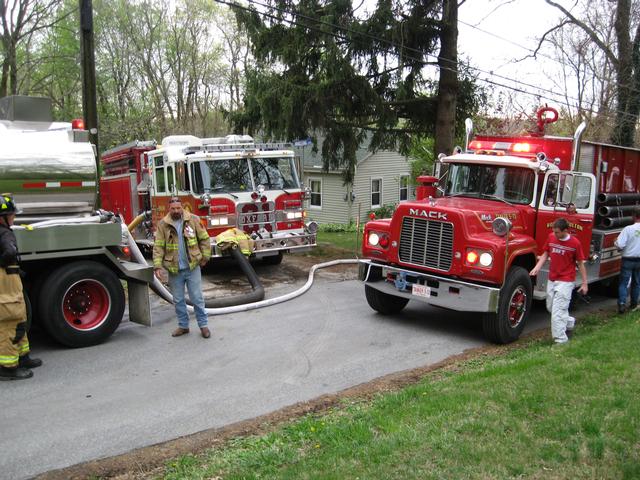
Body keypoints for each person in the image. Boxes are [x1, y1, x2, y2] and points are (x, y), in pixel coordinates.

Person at [153, 196, 212, 338]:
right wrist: (157, 266)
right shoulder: (163, 224)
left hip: (192, 267)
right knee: (178, 300)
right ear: (169, 209)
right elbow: (158, 246)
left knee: (197, 298)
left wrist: (205, 257)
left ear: (182, 207)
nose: (176, 210)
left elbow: (204, 238)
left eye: (178, 208)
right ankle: (183, 326)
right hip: (174, 270)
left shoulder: (193, 219)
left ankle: (203, 326)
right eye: (173, 208)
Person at [0, 194, 42, 380]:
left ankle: (23, 356)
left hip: (9, 281)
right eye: (11, 214)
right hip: (6, 282)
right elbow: (10, 252)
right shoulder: (4, 233)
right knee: (11, 321)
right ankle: (8, 368)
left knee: (19, 319)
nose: (13, 218)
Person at [530, 218, 588, 344]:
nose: (555, 234)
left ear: (565, 231)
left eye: (557, 232)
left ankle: (560, 340)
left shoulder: (575, 243)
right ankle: (569, 322)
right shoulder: (551, 238)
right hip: (552, 278)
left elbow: (580, 263)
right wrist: (537, 267)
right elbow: (546, 253)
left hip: (566, 281)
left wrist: (584, 283)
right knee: (551, 307)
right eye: (554, 232)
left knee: (557, 313)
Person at [614, 206, 640, 314]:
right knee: (637, 282)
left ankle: (621, 304)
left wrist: (615, 242)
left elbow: (620, 245)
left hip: (628, 259)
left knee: (623, 283)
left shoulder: (628, 229)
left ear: (634, 216)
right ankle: (634, 304)